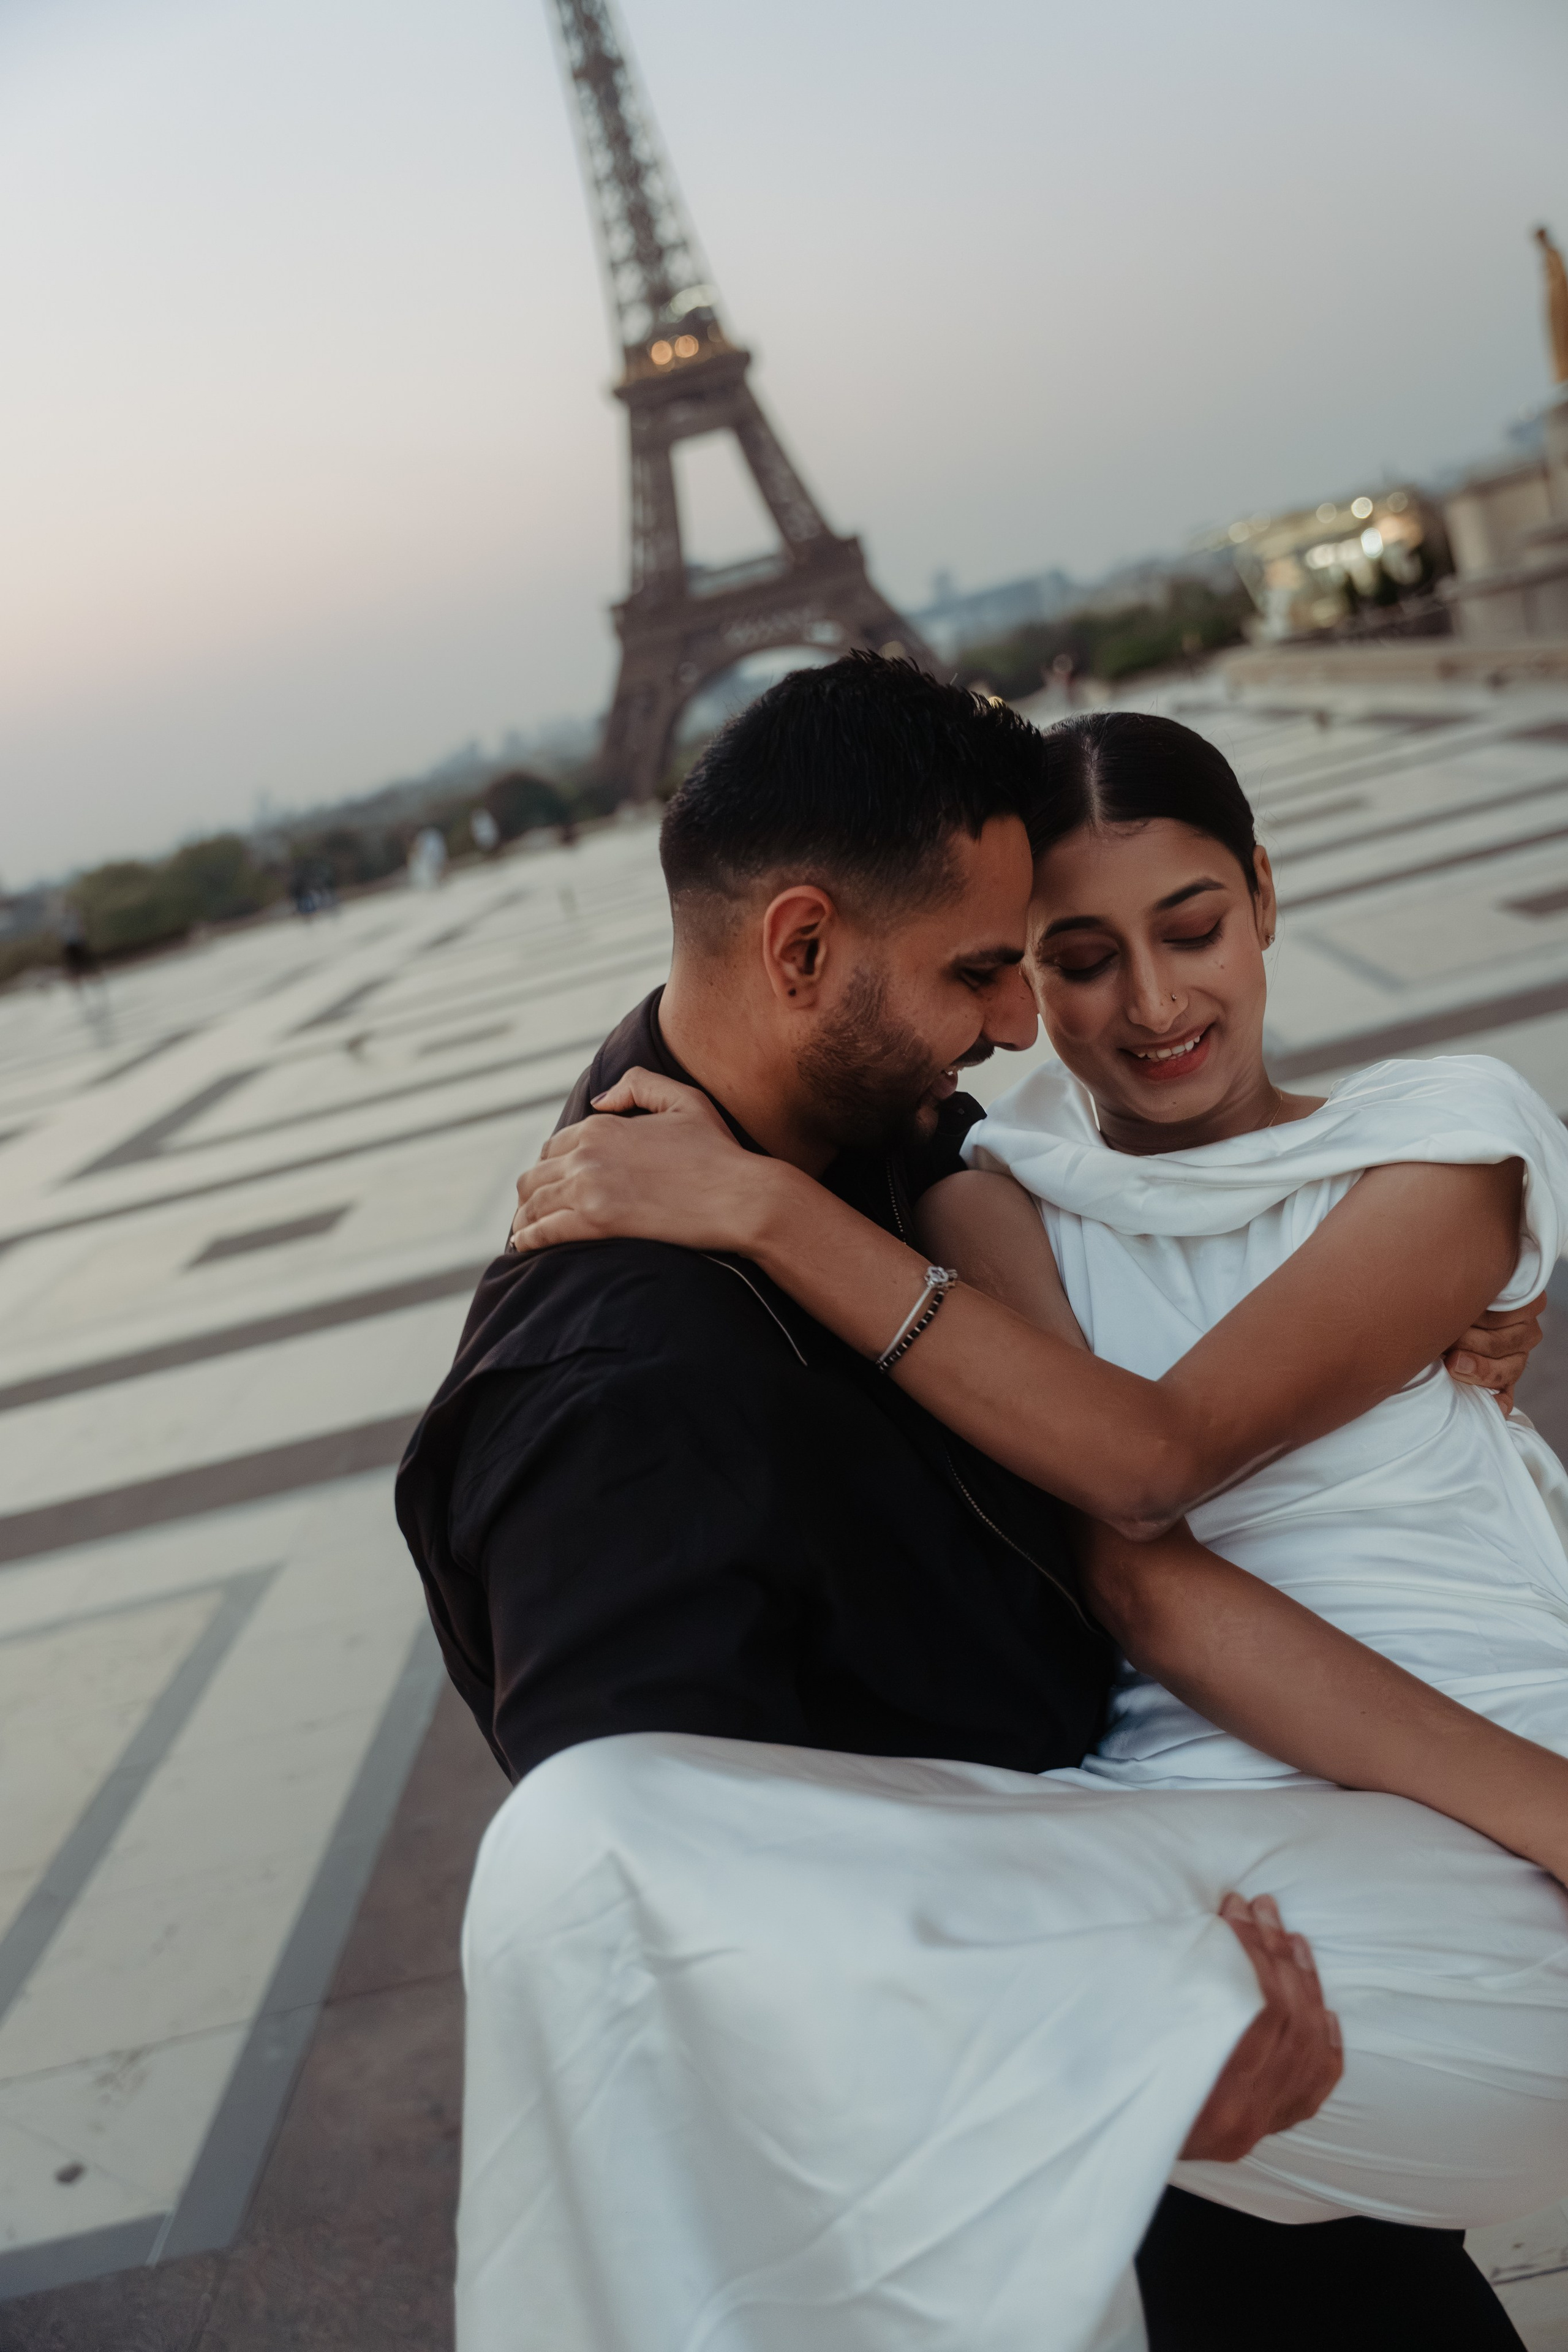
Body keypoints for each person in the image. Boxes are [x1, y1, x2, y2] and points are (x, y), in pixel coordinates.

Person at [405, 662, 1555, 2351]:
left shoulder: (883, 1130)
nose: (1022, 1031)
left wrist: (1433, 1303)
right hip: (1083, 2036)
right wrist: (1085, 2070)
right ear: (802, 948)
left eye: (1039, 963)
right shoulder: (624, 1394)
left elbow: (1151, 1385)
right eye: (997, 971)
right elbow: (687, 1930)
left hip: (1267, 1893)